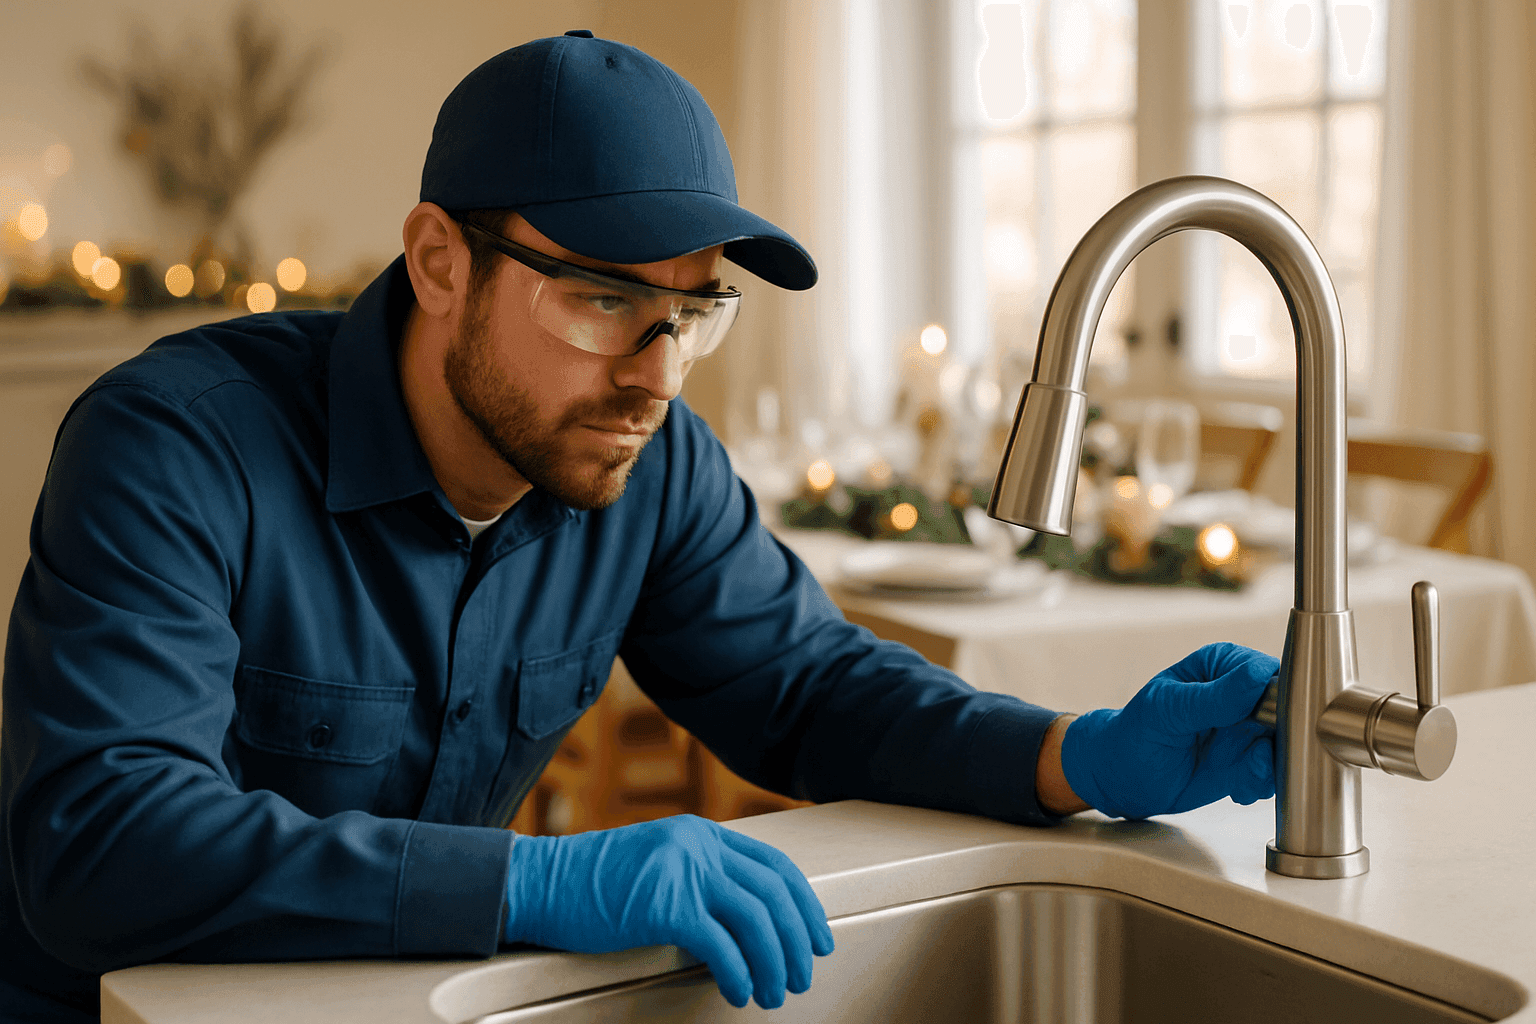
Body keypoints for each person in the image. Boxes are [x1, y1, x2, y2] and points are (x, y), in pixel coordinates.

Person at [0, 31, 1278, 1022]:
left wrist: (1077, 756)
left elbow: (812, 687)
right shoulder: (174, 443)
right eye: (604, 300)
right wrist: (534, 882)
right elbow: (103, 839)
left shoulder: (647, 463)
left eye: (692, 313)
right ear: (441, 262)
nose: (657, 375)